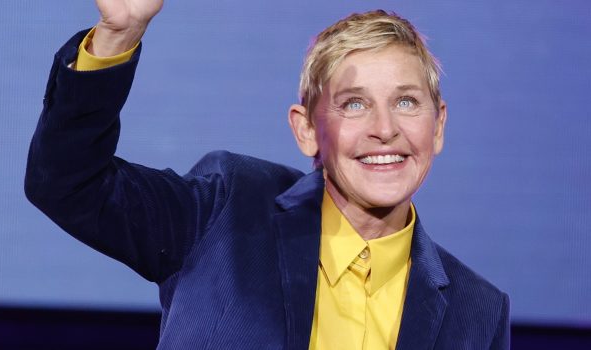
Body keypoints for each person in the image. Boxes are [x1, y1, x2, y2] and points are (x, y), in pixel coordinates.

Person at [25, 0, 510, 349]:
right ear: (306, 131)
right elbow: (69, 182)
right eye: (354, 104)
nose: (385, 130)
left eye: (406, 102)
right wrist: (120, 35)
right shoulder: (226, 212)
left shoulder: (478, 312)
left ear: (438, 125)